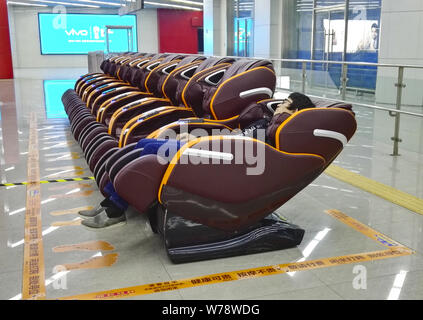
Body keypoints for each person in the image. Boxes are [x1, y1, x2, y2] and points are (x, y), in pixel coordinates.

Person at [79, 92, 316, 229]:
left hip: (213, 155)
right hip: (207, 147)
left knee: (150, 149)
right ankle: (110, 203)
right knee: (144, 145)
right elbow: (233, 136)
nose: (277, 106)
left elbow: (242, 149)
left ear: (293, 112)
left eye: (283, 105)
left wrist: (197, 143)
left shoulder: (271, 130)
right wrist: (194, 136)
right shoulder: (265, 122)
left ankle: (115, 209)